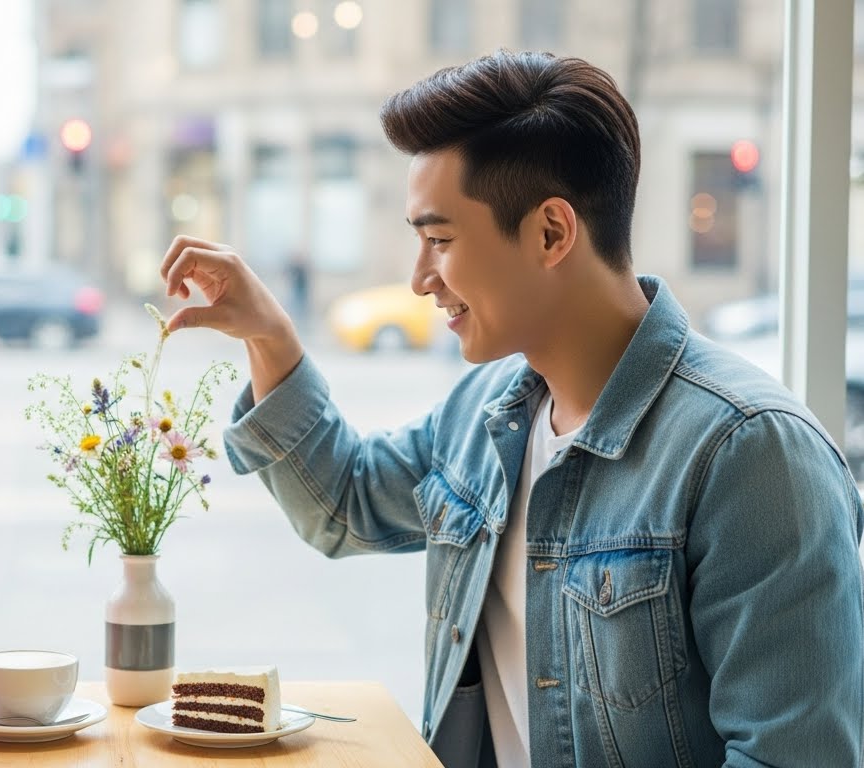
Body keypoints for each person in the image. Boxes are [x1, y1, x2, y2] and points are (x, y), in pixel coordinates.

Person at [160, 52, 863, 767]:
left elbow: (792, 755)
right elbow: (346, 505)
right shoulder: (486, 408)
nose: (418, 279)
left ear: (551, 233)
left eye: (439, 240)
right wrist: (269, 337)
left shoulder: (752, 455)